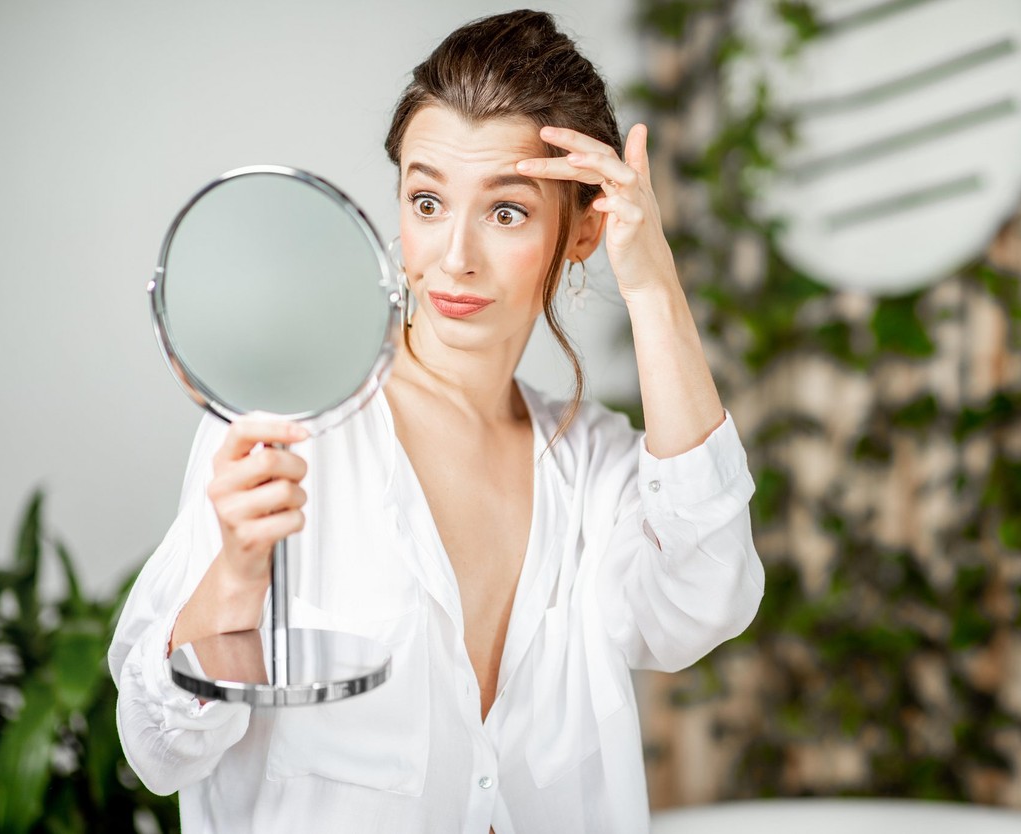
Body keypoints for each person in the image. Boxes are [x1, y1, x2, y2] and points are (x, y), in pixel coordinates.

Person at [110, 9, 763, 833]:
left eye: (506, 212)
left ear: (584, 229)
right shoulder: (290, 429)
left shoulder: (593, 468)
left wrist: (652, 285)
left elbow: (706, 600)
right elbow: (158, 749)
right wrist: (238, 572)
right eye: (426, 201)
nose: (455, 257)